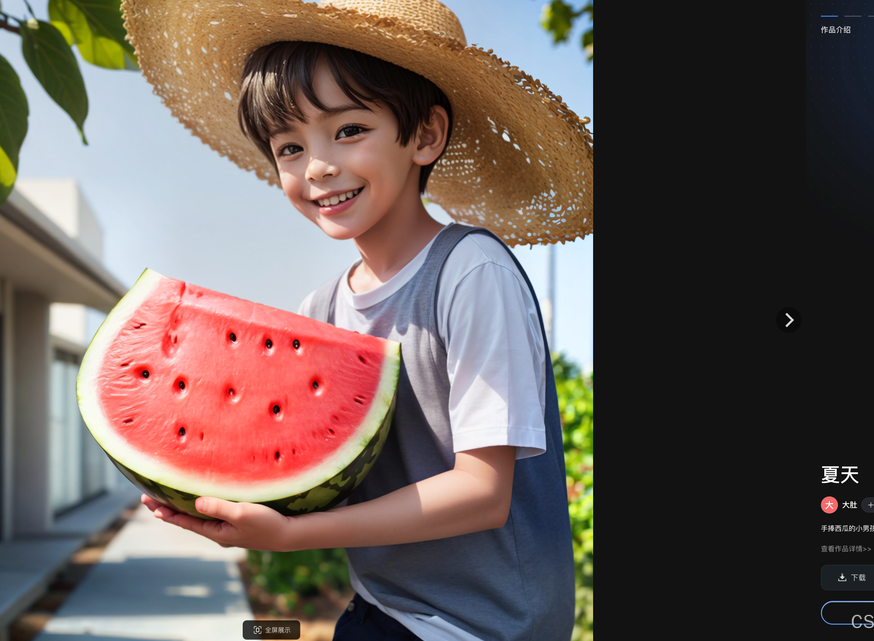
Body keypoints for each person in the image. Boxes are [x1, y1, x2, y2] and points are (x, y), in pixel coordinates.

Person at [123, 2, 593, 639]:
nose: (316, 167)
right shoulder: (323, 312)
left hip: (484, 625)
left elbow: (484, 491)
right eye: (289, 146)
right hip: (382, 609)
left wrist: (292, 537)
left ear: (425, 135)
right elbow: (312, 466)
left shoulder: (470, 271)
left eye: (348, 131)